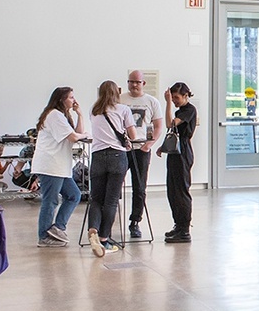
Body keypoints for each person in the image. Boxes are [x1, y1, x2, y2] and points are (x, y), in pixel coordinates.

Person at [86, 80, 141, 258]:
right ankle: (103, 239)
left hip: (98, 157)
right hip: (117, 157)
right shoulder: (123, 109)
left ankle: (93, 229)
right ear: (117, 92)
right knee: (111, 201)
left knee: (96, 199)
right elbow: (133, 136)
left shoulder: (93, 110)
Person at [30, 86, 90, 248]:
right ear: (61, 100)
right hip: (51, 166)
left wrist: (80, 114)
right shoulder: (54, 115)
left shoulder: (63, 116)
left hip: (60, 166)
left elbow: (78, 132)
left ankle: (57, 228)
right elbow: (73, 137)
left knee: (74, 195)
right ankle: (43, 236)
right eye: (70, 97)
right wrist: (85, 136)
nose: (74, 100)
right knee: (50, 201)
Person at [121, 70, 164, 239]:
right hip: (123, 148)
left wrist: (150, 143)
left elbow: (158, 125)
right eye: (131, 81)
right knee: (115, 185)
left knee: (139, 186)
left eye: (137, 82)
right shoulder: (120, 99)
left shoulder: (152, 102)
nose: (134, 85)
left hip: (141, 149)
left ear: (143, 83)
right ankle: (110, 219)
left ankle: (135, 221)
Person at [160, 83, 197, 242]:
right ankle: (178, 224)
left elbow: (170, 124)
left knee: (181, 190)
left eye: (176, 97)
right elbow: (172, 132)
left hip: (183, 151)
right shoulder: (180, 111)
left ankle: (184, 230)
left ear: (185, 96)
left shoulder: (189, 110)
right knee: (172, 190)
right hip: (176, 151)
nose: (174, 100)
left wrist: (167, 103)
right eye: (172, 97)